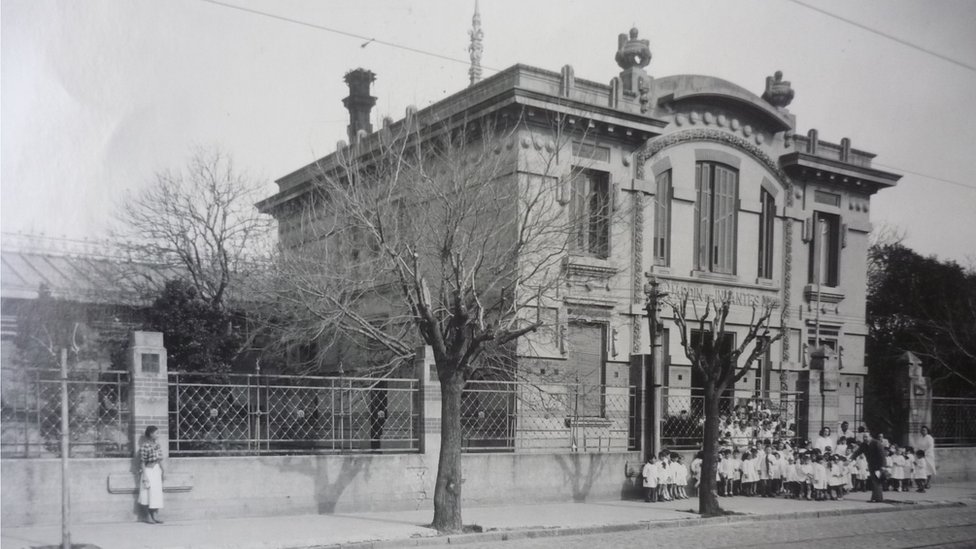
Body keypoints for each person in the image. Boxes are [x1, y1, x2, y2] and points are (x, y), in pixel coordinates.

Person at [851, 430, 887, 502]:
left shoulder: (876, 443)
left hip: (878, 465)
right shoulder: (864, 444)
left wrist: (883, 466)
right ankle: (876, 498)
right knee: (874, 481)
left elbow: (882, 455)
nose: (864, 438)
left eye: (866, 437)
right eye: (864, 437)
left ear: (870, 437)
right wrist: (850, 459)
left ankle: (877, 498)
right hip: (871, 465)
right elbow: (857, 452)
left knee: (877, 481)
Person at [139, 425, 165, 523]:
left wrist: (163, 471)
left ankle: (154, 515)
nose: (158, 435)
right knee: (146, 493)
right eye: (156, 433)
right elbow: (142, 462)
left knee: (156, 493)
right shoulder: (145, 446)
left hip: (156, 470)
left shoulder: (157, 445)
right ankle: (147, 516)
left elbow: (160, 459)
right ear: (151, 434)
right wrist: (145, 475)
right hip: (148, 471)